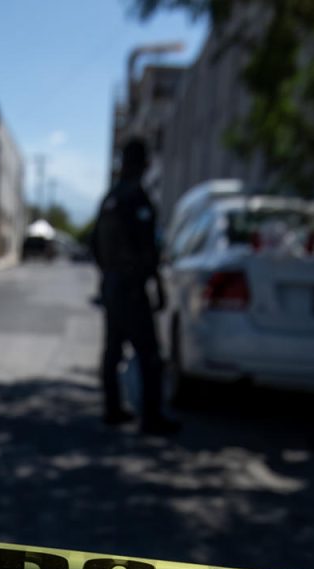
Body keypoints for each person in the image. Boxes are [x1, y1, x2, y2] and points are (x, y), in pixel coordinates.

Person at [90, 138, 180, 436]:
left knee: (113, 352)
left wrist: (108, 275)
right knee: (149, 355)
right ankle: (151, 417)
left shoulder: (110, 198)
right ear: (143, 164)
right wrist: (157, 284)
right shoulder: (135, 198)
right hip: (130, 287)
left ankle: (112, 408)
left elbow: (95, 245)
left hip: (112, 285)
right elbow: (146, 250)